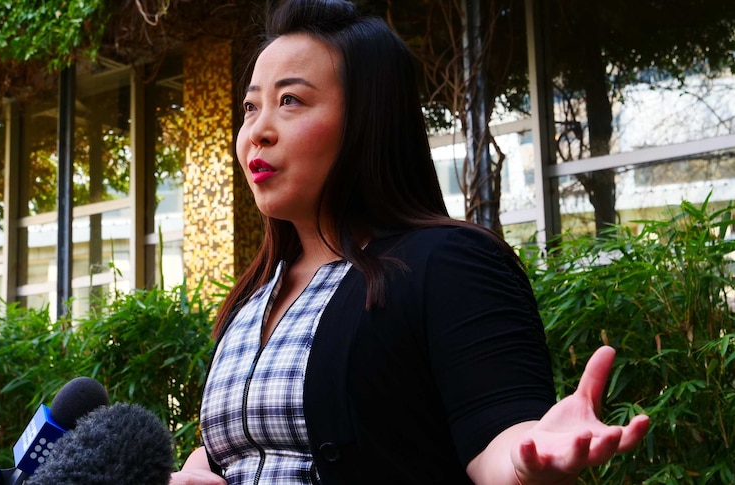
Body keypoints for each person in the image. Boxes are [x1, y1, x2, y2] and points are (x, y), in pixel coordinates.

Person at [171, 0, 650, 483]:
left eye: (290, 100)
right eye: (251, 106)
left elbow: (501, 435)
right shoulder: (254, 295)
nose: (258, 131)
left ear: (368, 120)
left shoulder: (449, 265)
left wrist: (527, 458)